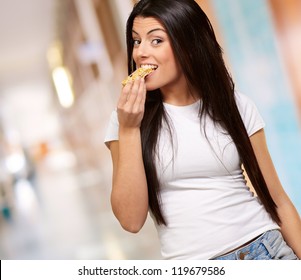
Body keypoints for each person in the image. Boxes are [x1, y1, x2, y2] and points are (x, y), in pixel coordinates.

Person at [104, 0, 301, 260]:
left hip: (266, 250)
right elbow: (131, 220)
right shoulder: (125, 118)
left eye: (156, 41)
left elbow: (278, 200)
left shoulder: (235, 105)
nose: (140, 53)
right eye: (136, 41)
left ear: (187, 44)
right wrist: (129, 130)